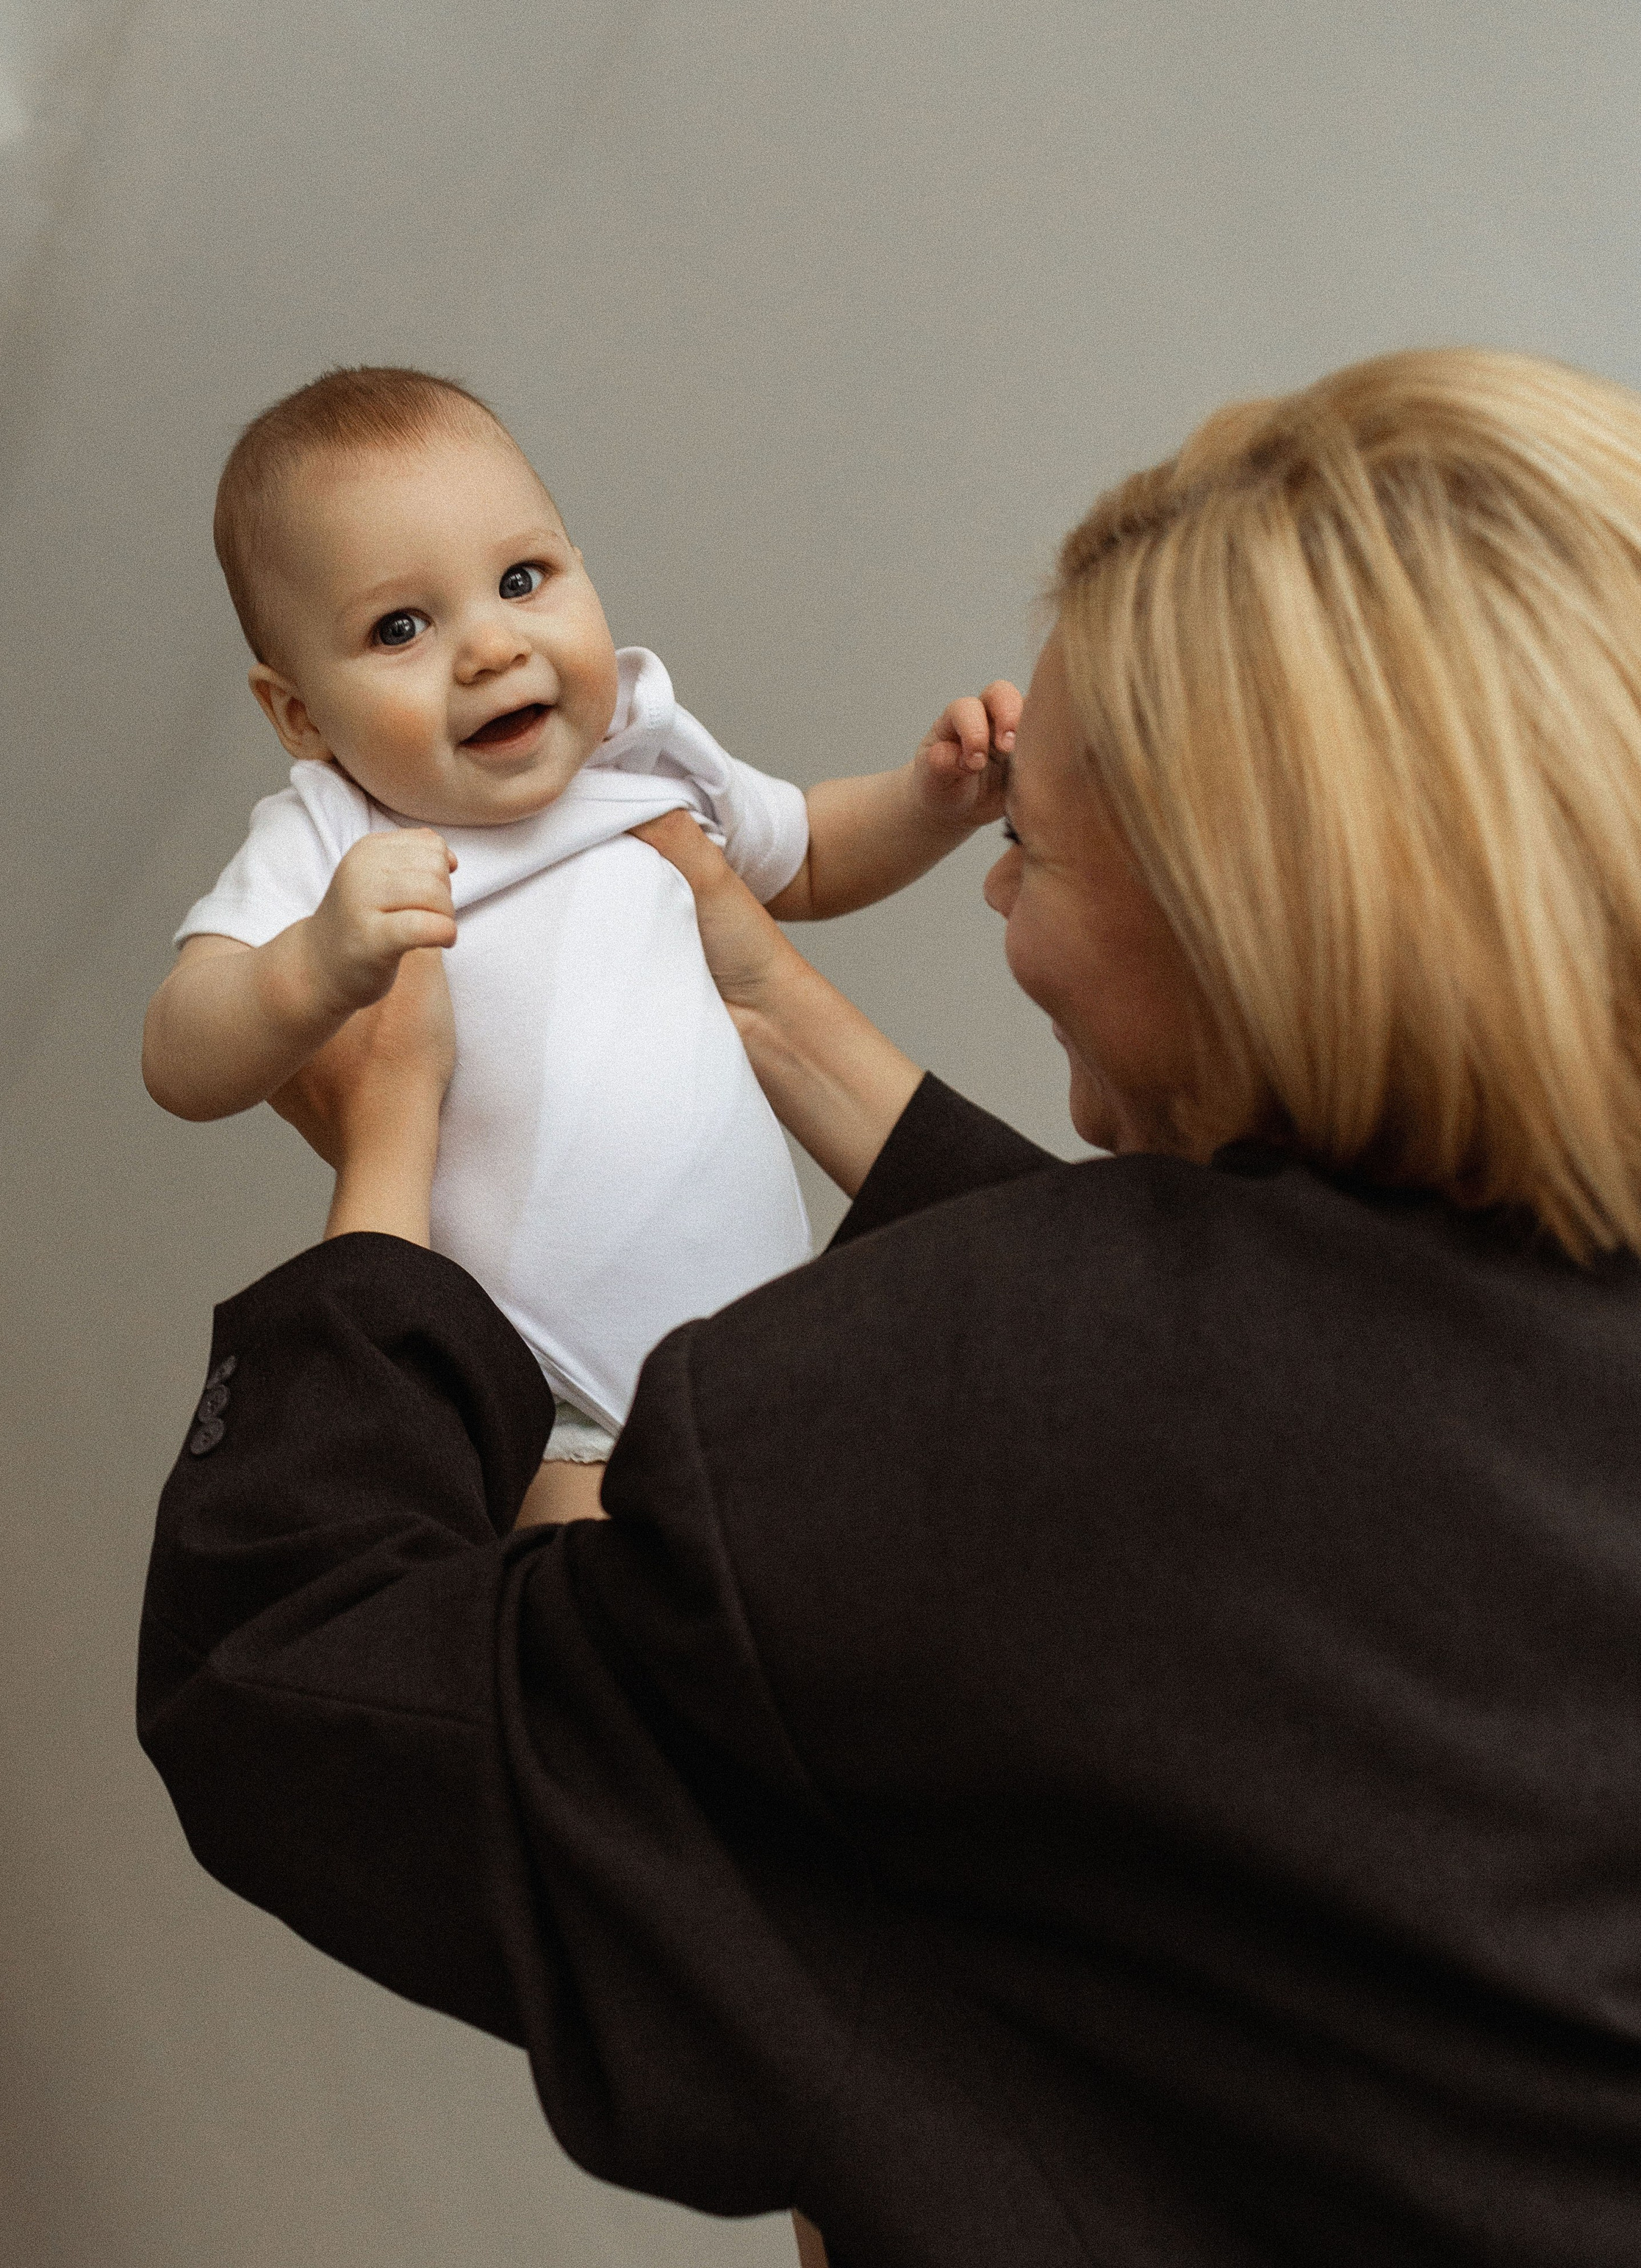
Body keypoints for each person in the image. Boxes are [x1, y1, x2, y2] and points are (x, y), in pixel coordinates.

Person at [140, 348, 1641, 2265]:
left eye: (1033, 843)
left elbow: (281, 1693)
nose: (993, 896)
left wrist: (383, 1172)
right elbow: (1252, 1425)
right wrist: (784, 1013)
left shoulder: (929, 1433)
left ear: (1241, 908)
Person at [141, 367, 1017, 1524]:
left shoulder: (639, 753)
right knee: (627, 1624)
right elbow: (179, 1050)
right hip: (557, 1411)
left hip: (778, 1334)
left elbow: (801, 856)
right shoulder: (336, 833)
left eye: (522, 577)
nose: (492, 646)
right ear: (301, 715)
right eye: (401, 626)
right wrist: (306, 967)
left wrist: (929, 802)